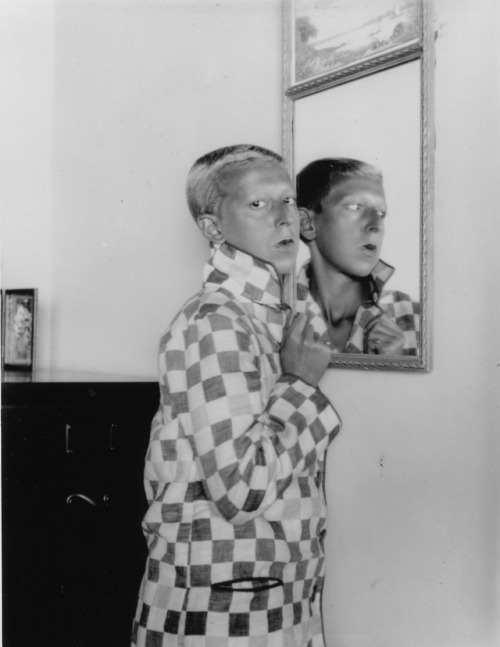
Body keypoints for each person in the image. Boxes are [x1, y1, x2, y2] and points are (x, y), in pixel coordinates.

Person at [131, 144, 341, 647]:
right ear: (212, 228)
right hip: (221, 610)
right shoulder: (216, 323)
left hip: (263, 595)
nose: (284, 218)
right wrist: (301, 385)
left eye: (289, 201)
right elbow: (241, 490)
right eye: (258, 204)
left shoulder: (263, 316)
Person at [295, 158, 420, 356]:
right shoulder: (275, 318)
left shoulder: (414, 316)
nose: (375, 225)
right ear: (307, 223)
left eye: (381, 213)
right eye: (355, 207)